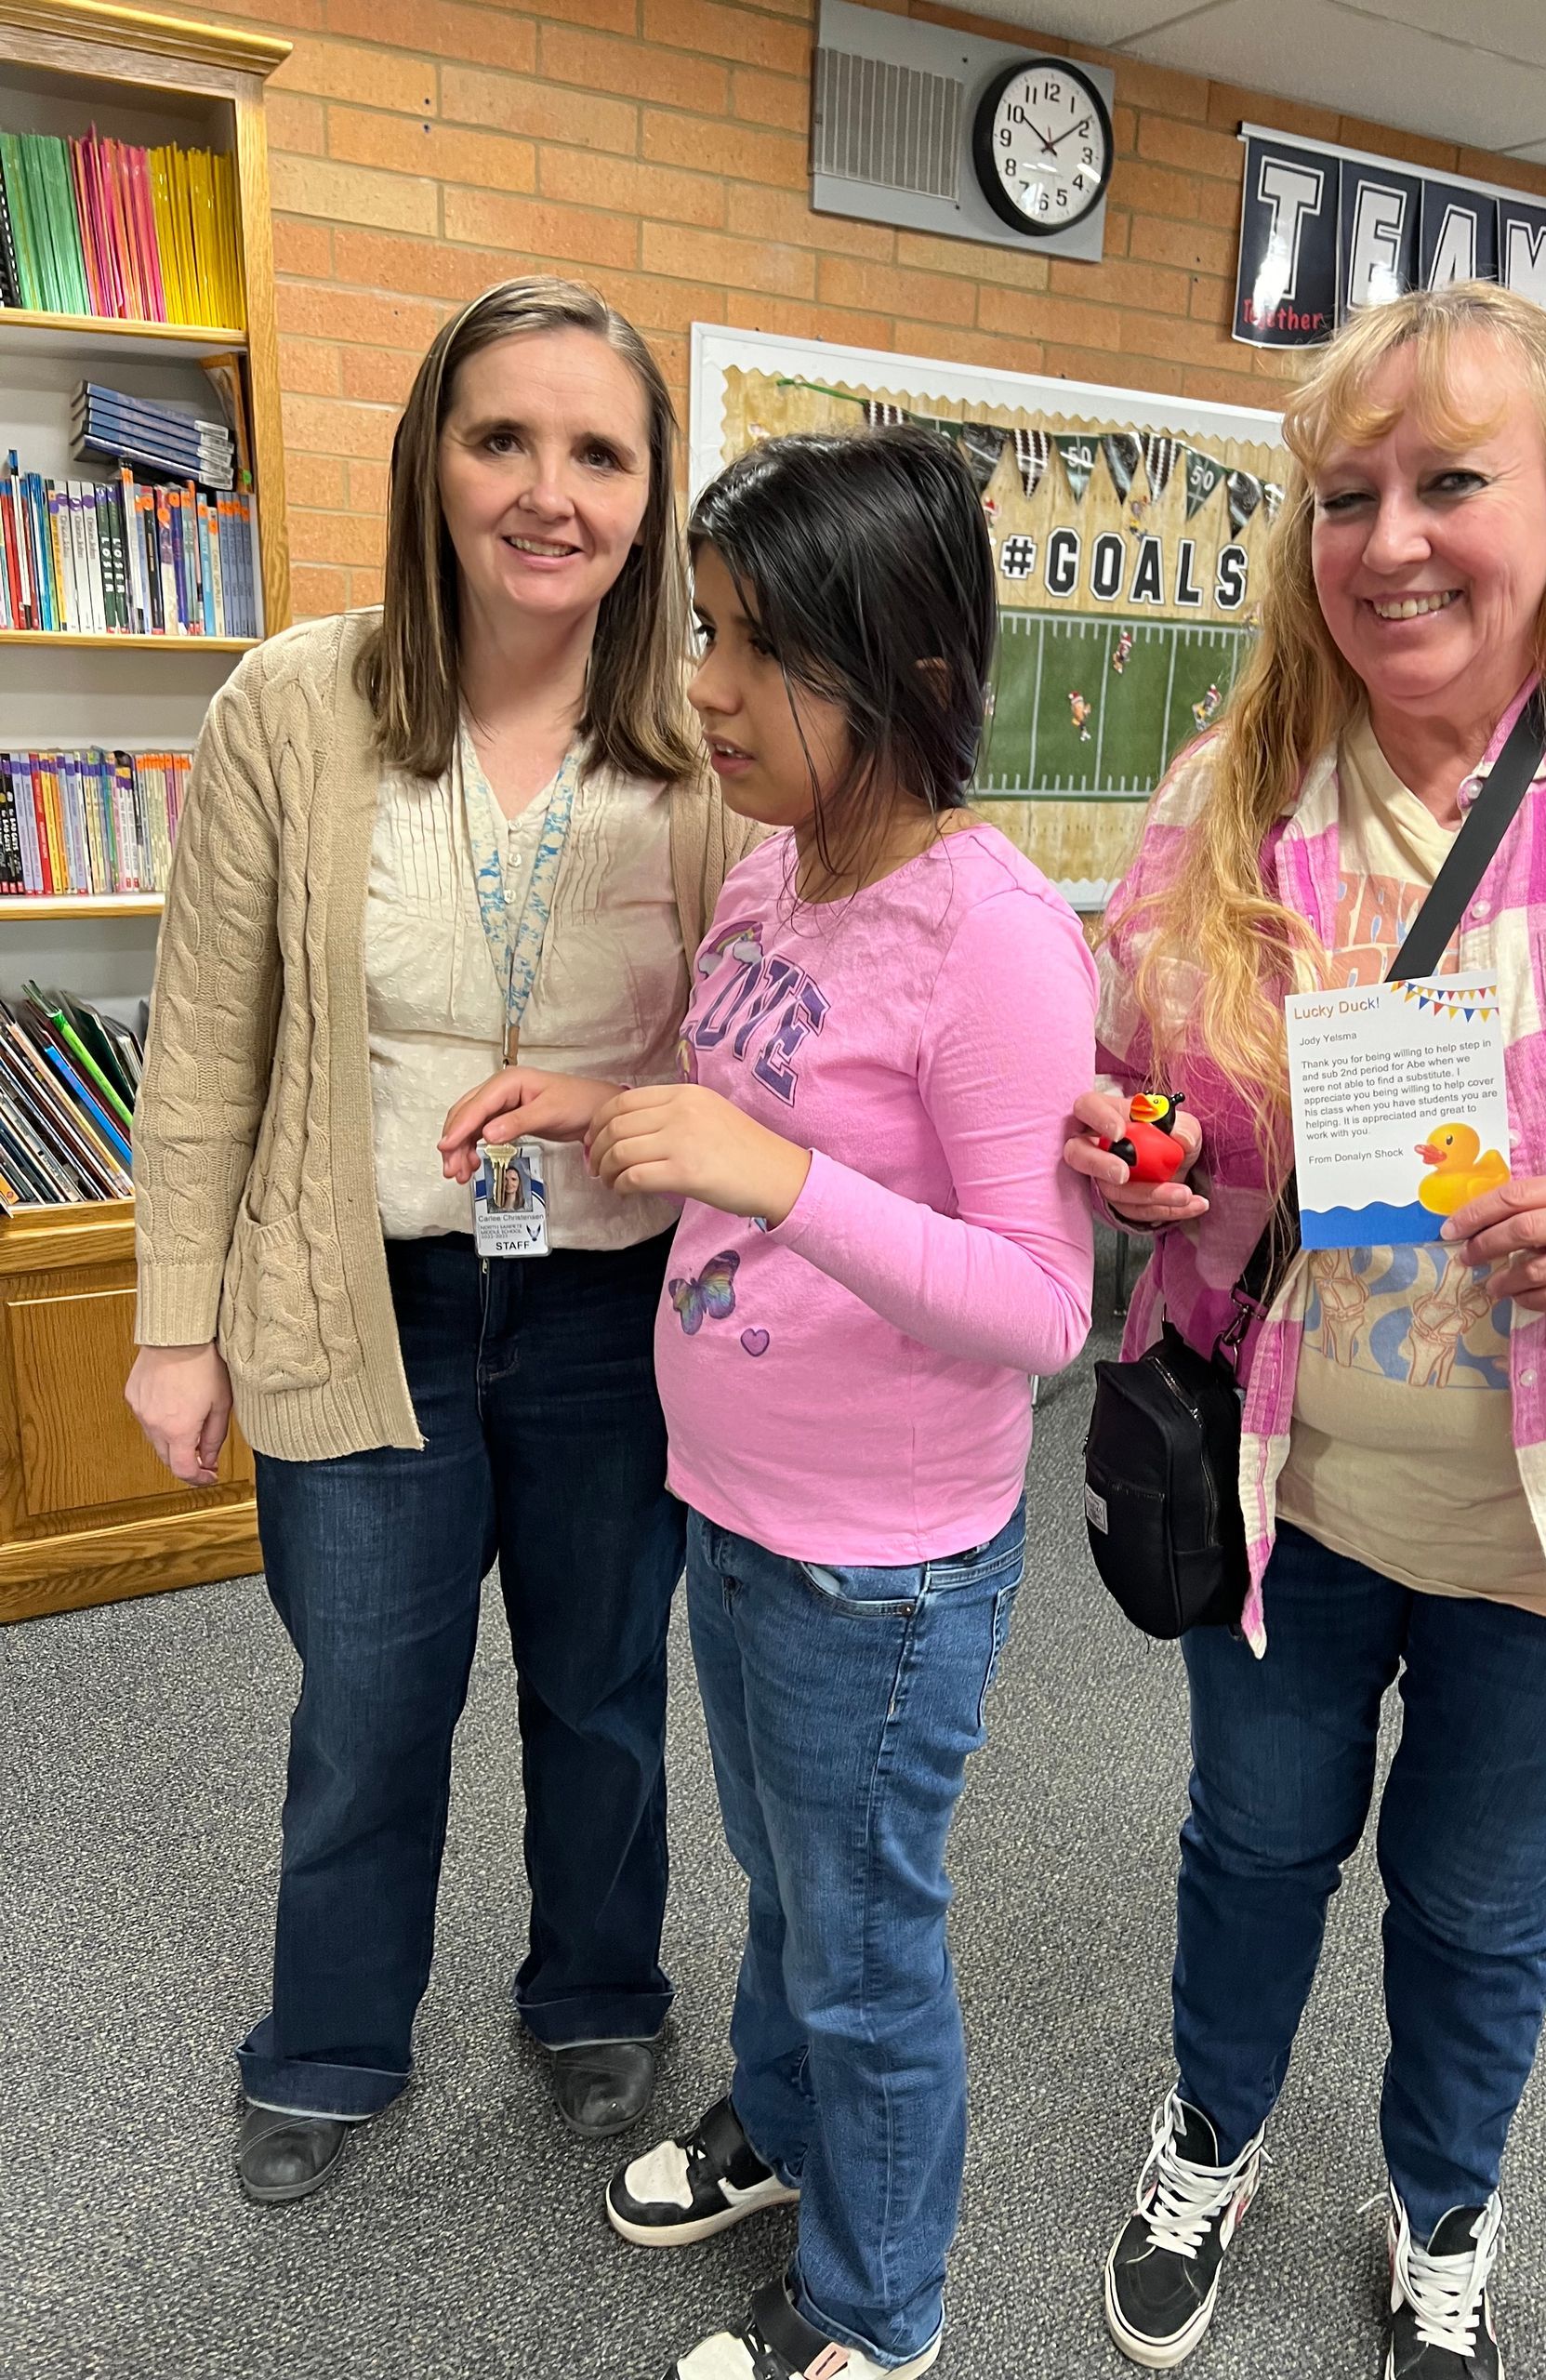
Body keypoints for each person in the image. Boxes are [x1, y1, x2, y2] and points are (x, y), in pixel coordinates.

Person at [1068, 283, 1546, 2378]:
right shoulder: (1238, 770)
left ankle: (1444, 2200)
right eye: (1344, 493)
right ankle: (1212, 2129)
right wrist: (1137, 1150)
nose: (1388, 540)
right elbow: (1135, 1076)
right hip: (1291, 1478)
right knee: (1255, 1844)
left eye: (1449, 481)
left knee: (1477, 1908)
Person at [443, 425, 1098, 2380]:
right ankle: (782, 2125)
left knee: (867, 1938)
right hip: (732, 1502)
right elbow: (735, 1107)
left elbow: (1040, 1300)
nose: (702, 691)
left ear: (894, 672)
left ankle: (874, 2307)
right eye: (702, 634)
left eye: (748, 648)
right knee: (785, 1878)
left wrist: (773, 1174)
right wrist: (606, 1109)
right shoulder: (780, 884)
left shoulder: (992, 938)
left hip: (880, 1568)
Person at [125, 278, 756, 2205]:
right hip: (354, 1286)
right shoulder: (297, 705)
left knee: (598, 1686)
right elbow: (208, 1028)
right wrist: (175, 1324)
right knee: (368, 1702)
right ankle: (329, 2033)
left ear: (652, 494)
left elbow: (814, 997)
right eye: (504, 437)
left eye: (599, 450)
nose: (548, 490)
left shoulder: (708, 730)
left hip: (614, 1303)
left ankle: (595, 1992)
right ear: (432, 456)